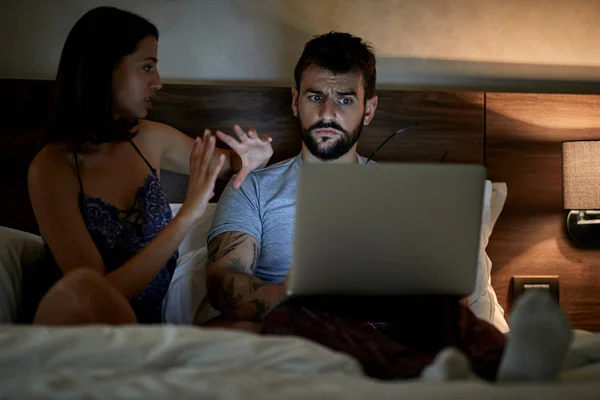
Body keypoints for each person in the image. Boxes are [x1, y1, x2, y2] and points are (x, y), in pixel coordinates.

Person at [205, 32, 573, 382]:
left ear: (369, 109)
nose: (328, 113)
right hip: (301, 323)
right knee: (281, 324)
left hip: (391, 322)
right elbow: (224, 282)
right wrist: (288, 296)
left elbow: (447, 289)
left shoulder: (405, 193)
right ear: (295, 100)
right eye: (315, 97)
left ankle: (503, 358)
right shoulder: (251, 185)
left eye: (345, 99)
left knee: (443, 315)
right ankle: (436, 368)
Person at [18, 6, 273, 325]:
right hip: (77, 331)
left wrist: (256, 155)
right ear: (104, 69)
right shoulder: (51, 168)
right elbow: (96, 294)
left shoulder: (150, 138)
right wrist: (188, 213)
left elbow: (228, 162)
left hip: (147, 332)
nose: (158, 82)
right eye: (147, 67)